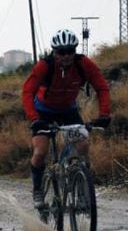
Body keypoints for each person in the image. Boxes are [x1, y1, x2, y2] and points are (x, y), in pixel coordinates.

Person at [21, 29, 111, 209]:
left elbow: (102, 87)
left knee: (83, 146)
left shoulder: (83, 64)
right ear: (55, 53)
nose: (66, 56)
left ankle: (82, 183)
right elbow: (27, 92)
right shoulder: (45, 66)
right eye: (62, 52)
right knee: (40, 152)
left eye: (70, 51)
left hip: (68, 110)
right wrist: (34, 119)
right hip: (43, 111)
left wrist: (104, 115)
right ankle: (38, 189)